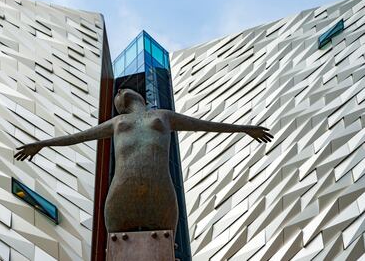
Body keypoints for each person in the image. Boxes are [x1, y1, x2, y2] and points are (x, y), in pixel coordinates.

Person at [14, 88, 273, 233]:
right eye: (118, 95)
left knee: (164, 240)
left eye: (122, 91)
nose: (119, 92)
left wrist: (243, 128)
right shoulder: (117, 122)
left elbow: (205, 125)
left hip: (160, 190)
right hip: (122, 191)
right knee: (118, 240)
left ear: (141, 98)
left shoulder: (164, 115)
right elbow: (78, 137)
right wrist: (43, 144)